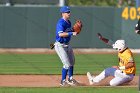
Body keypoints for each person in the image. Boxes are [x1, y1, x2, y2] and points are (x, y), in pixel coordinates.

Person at [54, 6, 78, 86]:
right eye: (67, 12)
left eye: (69, 12)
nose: (69, 13)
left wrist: (75, 30)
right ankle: (63, 81)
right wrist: (72, 33)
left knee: (72, 62)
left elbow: (69, 31)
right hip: (60, 45)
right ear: (63, 13)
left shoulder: (69, 22)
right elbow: (60, 34)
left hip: (67, 45)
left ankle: (70, 79)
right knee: (66, 64)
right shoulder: (60, 22)